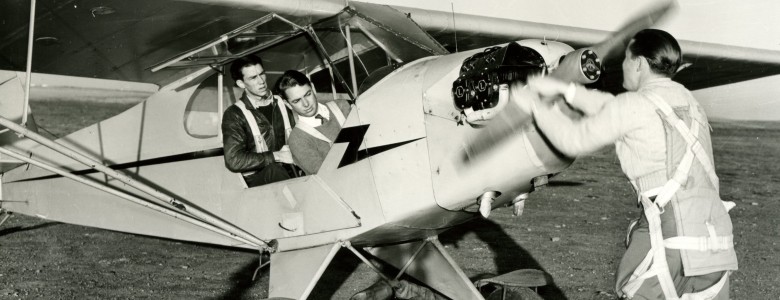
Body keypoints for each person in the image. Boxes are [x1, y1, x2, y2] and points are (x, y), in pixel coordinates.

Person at [521, 29, 737, 299]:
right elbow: (614, 107)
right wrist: (567, 90)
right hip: (715, 245)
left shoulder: (635, 105)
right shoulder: (688, 102)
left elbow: (571, 140)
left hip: (669, 240)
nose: (622, 65)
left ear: (639, 63)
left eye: (626, 58)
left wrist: (535, 106)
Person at [221, 55, 296, 187]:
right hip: (259, 182)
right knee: (274, 170)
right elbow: (233, 160)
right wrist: (276, 156)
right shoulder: (234, 114)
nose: (261, 81)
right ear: (241, 83)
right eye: (253, 78)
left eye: (262, 74)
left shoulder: (283, 102)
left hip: (291, 172)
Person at [275, 70, 352, 175]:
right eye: (296, 101)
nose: (306, 104)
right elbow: (326, 176)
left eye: (307, 94)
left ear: (313, 88)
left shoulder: (343, 107)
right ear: (287, 104)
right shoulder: (297, 139)